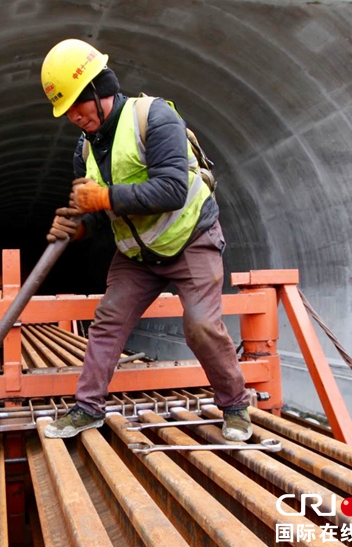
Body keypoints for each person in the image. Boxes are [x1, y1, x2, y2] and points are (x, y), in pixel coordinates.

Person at [41, 39, 252, 441]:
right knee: (108, 320)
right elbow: (103, 223)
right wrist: (79, 228)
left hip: (190, 237)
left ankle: (236, 407)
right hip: (137, 254)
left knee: (202, 326)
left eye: (75, 105)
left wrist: (102, 196)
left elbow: (172, 189)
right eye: (64, 111)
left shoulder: (154, 118)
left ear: (96, 91)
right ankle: (87, 409)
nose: (72, 117)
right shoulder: (84, 149)